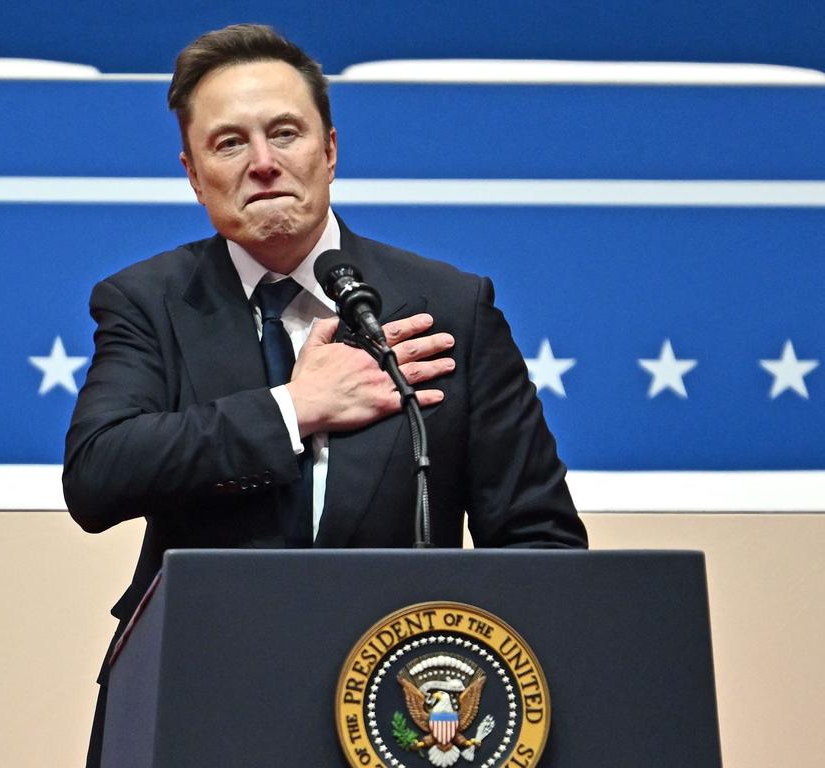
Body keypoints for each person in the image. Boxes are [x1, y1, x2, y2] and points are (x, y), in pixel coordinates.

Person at [63, 23, 587, 766]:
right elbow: (98, 472)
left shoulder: (449, 307)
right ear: (192, 172)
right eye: (230, 143)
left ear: (330, 150)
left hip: (398, 714)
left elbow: (542, 542)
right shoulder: (147, 302)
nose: (265, 163)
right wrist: (292, 410)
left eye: (285, 133)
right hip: (200, 700)